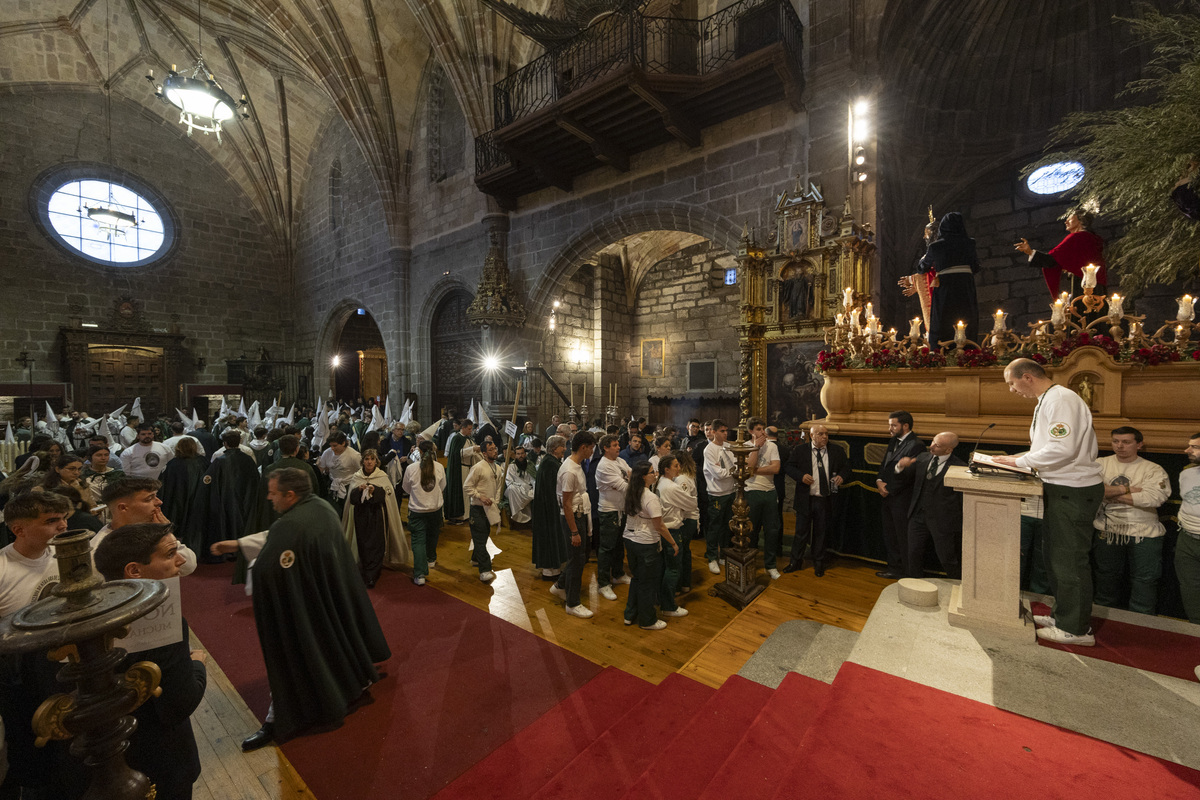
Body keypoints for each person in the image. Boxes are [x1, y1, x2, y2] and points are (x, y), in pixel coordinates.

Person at [209, 468, 390, 750]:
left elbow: (275, 557)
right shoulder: (320, 507)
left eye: (273, 493)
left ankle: (278, 717)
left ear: (290, 495)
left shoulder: (290, 525)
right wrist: (238, 543)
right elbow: (282, 538)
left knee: (299, 651)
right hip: (330, 596)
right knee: (334, 642)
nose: (269, 499)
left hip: (306, 605)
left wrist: (256, 569)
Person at [994, 358, 1104, 646]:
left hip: (1074, 488)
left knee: (1069, 560)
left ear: (1027, 377)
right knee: (1056, 558)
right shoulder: (1048, 399)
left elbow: (1062, 448)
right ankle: (1063, 615)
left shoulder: (1061, 399)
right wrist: (1021, 460)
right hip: (1060, 486)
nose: (1011, 390)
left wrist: (1020, 461)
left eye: (1012, 383)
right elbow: (1048, 446)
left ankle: (1076, 629)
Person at [93, 523, 206, 800]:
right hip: (160, 757)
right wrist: (197, 665)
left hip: (102, 763)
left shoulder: (92, 617)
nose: (180, 560)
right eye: (169, 555)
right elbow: (181, 702)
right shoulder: (163, 621)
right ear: (134, 570)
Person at [1091, 427, 1171, 614]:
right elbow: (1091, 491)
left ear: (1139, 444)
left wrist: (1108, 493)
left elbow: (1155, 498)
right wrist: (1127, 490)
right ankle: (1104, 617)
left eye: (1126, 442)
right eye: (1115, 441)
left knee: (1145, 580)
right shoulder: (1100, 464)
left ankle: (1142, 623)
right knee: (1106, 577)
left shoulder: (1152, 469)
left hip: (1143, 532)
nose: (1119, 446)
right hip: (1108, 529)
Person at [894, 431, 966, 579]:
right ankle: (915, 585)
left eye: (937, 445)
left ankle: (959, 588)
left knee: (947, 558)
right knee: (913, 553)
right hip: (918, 516)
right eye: (932, 442)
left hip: (942, 521)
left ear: (948, 450)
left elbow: (960, 499)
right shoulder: (922, 458)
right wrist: (900, 467)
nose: (931, 447)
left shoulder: (959, 467)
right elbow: (906, 477)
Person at [97, 477, 199, 575]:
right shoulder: (99, 550)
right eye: (149, 499)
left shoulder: (147, 532)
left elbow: (188, 566)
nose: (159, 502)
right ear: (123, 508)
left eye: (156, 496)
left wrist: (165, 534)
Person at [784, 424, 850, 577]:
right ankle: (795, 561)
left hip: (825, 499)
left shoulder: (836, 451)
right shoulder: (801, 451)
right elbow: (788, 467)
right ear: (812, 435)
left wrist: (842, 476)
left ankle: (818, 562)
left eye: (826, 434)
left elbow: (847, 468)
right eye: (820, 434)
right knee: (801, 532)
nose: (825, 436)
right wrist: (801, 476)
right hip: (805, 498)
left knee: (821, 532)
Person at [622, 462, 679, 630]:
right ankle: (647, 620)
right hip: (646, 543)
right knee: (648, 583)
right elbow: (659, 526)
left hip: (630, 539)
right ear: (643, 477)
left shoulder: (631, 491)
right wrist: (673, 543)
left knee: (637, 578)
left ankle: (630, 613)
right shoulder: (650, 497)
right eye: (651, 472)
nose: (655, 474)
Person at [342, 449, 410, 588]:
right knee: (363, 542)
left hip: (377, 516)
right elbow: (352, 499)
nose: (369, 462)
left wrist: (376, 491)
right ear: (363, 461)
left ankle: (372, 573)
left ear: (376, 461)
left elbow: (388, 496)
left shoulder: (382, 476)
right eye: (366, 459)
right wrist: (358, 490)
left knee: (376, 543)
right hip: (360, 516)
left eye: (372, 459)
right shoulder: (357, 476)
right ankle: (367, 568)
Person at [917, 211, 980, 351]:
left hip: (945, 286)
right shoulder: (970, 243)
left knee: (942, 318)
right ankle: (968, 351)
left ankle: (941, 351)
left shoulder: (935, 246)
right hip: (965, 286)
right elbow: (976, 267)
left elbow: (922, 268)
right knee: (967, 316)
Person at [549, 431, 596, 618]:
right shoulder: (569, 470)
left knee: (580, 557)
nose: (593, 451)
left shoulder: (576, 465)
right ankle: (572, 603)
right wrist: (574, 531)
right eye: (591, 448)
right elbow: (566, 504)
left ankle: (560, 585)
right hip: (573, 518)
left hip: (579, 514)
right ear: (583, 447)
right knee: (577, 560)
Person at [0, 492, 71, 618]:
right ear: (19, 530)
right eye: (51, 521)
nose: (63, 526)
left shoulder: (64, 552)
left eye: (64, 518)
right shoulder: (3, 569)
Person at [875, 411, 925, 579]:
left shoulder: (916, 444)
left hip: (902, 498)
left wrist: (889, 487)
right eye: (889, 425)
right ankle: (894, 569)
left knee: (902, 536)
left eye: (893, 425)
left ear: (905, 426)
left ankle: (908, 573)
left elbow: (910, 474)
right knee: (890, 535)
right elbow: (885, 464)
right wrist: (879, 480)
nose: (890, 428)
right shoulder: (893, 440)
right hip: (888, 496)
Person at [1015, 208, 1107, 298]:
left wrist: (1030, 252)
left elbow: (1052, 260)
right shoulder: (1093, 238)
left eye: (1069, 219)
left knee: (1081, 311)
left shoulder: (1076, 237)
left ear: (1080, 220)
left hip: (1082, 287)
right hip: (1099, 287)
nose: (1065, 222)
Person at [742, 418, 783, 579]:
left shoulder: (772, 446)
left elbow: (776, 468)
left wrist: (755, 470)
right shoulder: (745, 446)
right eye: (758, 429)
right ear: (751, 431)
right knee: (751, 530)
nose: (762, 432)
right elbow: (749, 467)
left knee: (772, 530)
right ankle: (750, 562)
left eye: (763, 429)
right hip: (752, 491)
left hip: (770, 492)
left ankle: (770, 565)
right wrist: (756, 448)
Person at [594, 434, 632, 601]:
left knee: (618, 544)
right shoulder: (604, 466)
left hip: (621, 509)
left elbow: (631, 475)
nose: (618, 447)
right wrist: (628, 483)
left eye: (618, 444)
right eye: (615, 445)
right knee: (607, 548)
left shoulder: (620, 461)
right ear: (606, 448)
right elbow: (625, 486)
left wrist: (629, 482)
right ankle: (603, 583)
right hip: (609, 511)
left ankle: (618, 573)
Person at [655, 454, 694, 615]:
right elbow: (691, 504)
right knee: (673, 568)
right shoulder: (671, 487)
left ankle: (662, 599)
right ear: (667, 469)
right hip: (672, 529)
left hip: (665, 528)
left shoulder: (662, 483)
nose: (679, 468)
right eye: (676, 466)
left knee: (666, 566)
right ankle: (668, 606)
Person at [402, 440, 445, 586]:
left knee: (418, 541)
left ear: (419, 452)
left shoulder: (411, 468)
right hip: (435, 508)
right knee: (433, 533)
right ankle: (431, 559)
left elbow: (406, 488)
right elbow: (442, 486)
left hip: (417, 509)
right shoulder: (439, 467)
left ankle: (419, 573)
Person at [463, 439, 502, 583]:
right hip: (478, 508)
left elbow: (498, 488)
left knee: (484, 535)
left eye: (495, 448)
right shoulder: (478, 467)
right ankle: (485, 570)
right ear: (484, 453)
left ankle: (475, 558)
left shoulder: (497, 468)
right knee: (480, 538)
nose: (495, 451)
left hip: (489, 507)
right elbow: (467, 487)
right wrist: (480, 496)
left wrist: (495, 502)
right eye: (491, 449)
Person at [702, 419, 737, 574]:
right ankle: (712, 557)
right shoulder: (709, 450)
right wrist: (730, 471)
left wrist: (729, 470)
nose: (725, 433)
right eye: (722, 431)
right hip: (716, 493)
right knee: (714, 526)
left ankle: (723, 554)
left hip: (730, 491)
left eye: (726, 431)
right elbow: (718, 474)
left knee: (726, 526)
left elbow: (735, 464)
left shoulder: (729, 446)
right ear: (714, 432)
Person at [532, 435, 568, 580]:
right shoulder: (551, 464)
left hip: (547, 506)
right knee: (550, 536)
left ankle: (553, 569)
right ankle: (550, 571)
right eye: (562, 446)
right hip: (549, 508)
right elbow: (554, 489)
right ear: (554, 448)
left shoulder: (550, 461)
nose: (565, 449)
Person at [1175, 433, 1200, 623]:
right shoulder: (1186, 474)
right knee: (1190, 587)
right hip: (1187, 539)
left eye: (1195, 447)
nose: (1187, 450)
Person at [317, 432, 361, 518]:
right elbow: (321, 468)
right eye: (331, 446)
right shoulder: (327, 453)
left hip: (349, 485)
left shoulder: (354, 455)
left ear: (343, 443)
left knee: (347, 512)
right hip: (333, 484)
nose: (332, 448)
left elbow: (361, 471)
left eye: (335, 446)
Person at [442, 420, 478, 524]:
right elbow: (456, 453)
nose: (471, 431)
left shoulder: (468, 439)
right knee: (461, 492)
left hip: (468, 468)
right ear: (463, 428)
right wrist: (472, 449)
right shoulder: (457, 438)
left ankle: (466, 514)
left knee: (467, 493)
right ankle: (458, 515)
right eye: (469, 429)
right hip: (460, 469)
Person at [504, 445, 536, 524]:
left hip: (528, 488)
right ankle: (516, 514)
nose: (520, 456)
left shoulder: (530, 465)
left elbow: (533, 479)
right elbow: (509, 481)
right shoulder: (511, 466)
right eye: (518, 454)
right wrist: (520, 486)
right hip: (516, 488)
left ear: (525, 454)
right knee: (511, 488)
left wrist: (533, 487)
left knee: (534, 492)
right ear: (515, 455)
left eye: (522, 453)